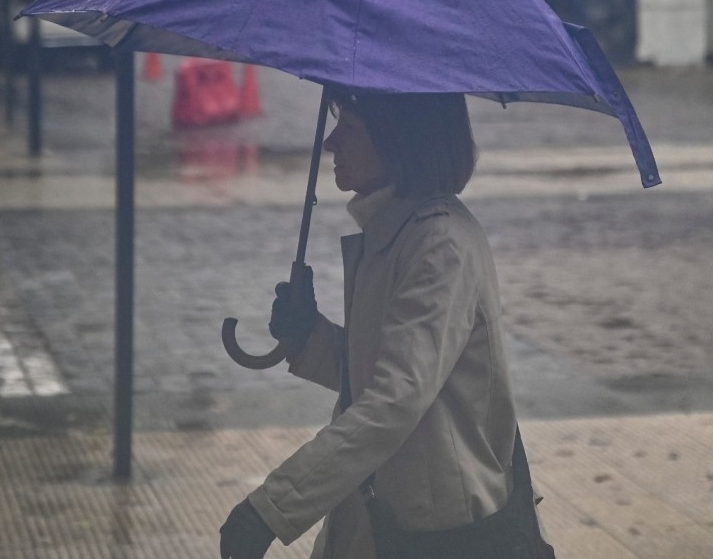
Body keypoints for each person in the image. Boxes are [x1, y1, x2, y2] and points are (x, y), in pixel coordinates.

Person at [219, 91, 522, 559]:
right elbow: (383, 371)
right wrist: (311, 336)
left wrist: (271, 508)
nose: (331, 142)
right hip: (381, 516)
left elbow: (394, 401)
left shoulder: (438, 245)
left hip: (432, 533)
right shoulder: (397, 232)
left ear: (398, 139)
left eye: (351, 128)